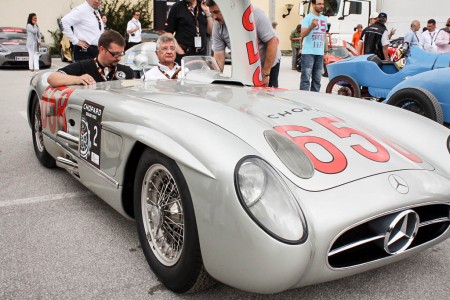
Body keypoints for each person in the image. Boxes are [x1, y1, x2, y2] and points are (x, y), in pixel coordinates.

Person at [206, 0, 281, 87]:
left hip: (268, 63)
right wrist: (215, 81)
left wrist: (265, 73)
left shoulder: (255, 14)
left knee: (267, 96)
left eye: (216, 12)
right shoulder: (217, 25)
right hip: (246, 65)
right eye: (211, 13)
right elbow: (219, 58)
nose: (214, 17)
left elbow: (272, 42)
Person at [47, 30, 134, 87]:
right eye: (115, 54)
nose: (119, 58)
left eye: (121, 53)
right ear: (101, 49)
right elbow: (52, 78)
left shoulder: (126, 71)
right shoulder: (83, 66)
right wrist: (78, 79)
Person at [165, 0, 213, 64]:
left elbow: (210, 32)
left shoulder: (203, 6)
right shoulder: (177, 7)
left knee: (200, 73)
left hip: (201, 54)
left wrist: (207, 12)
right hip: (184, 53)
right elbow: (168, 33)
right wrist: (180, 51)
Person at [300, 0, 328, 92]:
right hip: (308, 53)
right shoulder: (308, 18)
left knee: (317, 80)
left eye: (323, 4)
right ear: (313, 5)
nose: (321, 6)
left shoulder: (324, 19)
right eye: (319, 4)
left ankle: (314, 100)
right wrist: (311, 26)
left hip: (319, 53)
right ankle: (304, 99)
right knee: (305, 79)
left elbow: (324, 35)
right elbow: (302, 34)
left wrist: (326, 51)